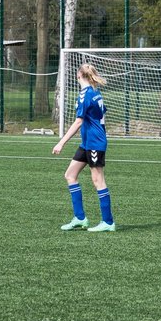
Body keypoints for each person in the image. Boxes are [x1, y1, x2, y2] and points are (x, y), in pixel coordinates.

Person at [52, 63, 115, 232]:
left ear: (78, 75)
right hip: (88, 142)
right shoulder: (95, 92)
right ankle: (80, 218)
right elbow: (102, 115)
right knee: (70, 175)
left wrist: (61, 142)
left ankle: (108, 222)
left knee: (98, 180)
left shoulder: (86, 95)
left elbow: (79, 121)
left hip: (94, 143)